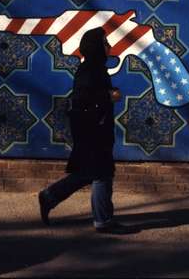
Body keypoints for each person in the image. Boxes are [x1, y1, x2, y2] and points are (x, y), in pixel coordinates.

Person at [38, 27, 132, 234]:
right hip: (92, 129)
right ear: (97, 47)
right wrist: (109, 96)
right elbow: (83, 99)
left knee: (89, 172)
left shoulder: (95, 68)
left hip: (94, 128)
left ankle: (50, 196)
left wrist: (107, 94)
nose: (110, 46)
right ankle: (103, 221)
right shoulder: (90, 69)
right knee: (102, 173)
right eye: (105, 43)